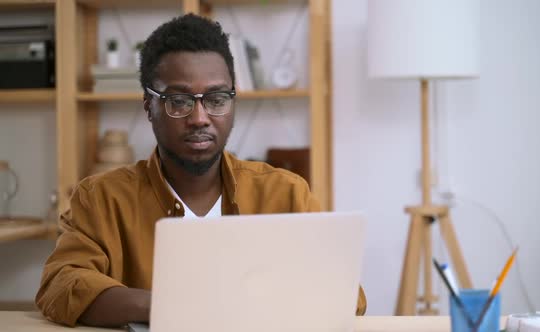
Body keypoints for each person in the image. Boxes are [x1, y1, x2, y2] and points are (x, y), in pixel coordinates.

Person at [35, 14, 366, 327]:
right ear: (149, 106)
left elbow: (348, 295)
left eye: (216, 98)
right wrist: (172, 307)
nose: (199, 118)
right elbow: (62, 284)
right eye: (179, 100)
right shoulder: (101, 199)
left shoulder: (287, 194)